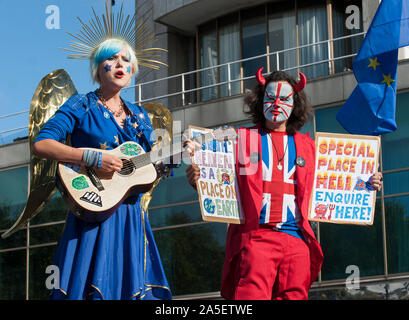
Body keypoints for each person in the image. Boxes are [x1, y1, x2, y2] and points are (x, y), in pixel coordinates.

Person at [185, 68, 383, 300]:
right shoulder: (240, 138)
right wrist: (197, 173)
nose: (277, 103)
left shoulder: (309, 146)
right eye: (270, 97)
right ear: (260, 101)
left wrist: (368, 182)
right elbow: (208, 162)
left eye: (285, 98)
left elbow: (335, 180)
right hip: (257, 237)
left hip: (296, 240)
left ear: (295, 104)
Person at [32, 37, 191, 300]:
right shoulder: (81, 105)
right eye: (112, 58)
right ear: (98, 67)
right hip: (92, 212)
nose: (120, 64)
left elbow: (150, 167)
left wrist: (181, 153)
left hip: (130, 217)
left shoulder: (140, 117)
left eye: (126, 60)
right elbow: (42, 143)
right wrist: (93, 157)